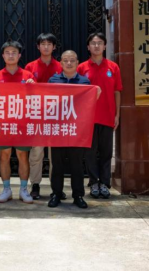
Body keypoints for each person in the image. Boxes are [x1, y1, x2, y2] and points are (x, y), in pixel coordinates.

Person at [48, 50, 101, 209]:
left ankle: (78, 195)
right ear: (61, 63)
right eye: (65, 60)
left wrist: (96, 94)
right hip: (58, 128)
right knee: (57, 164)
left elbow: (88, 104)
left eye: (72, 60)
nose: (69, 63)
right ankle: (56, 193)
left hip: (76, 130)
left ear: (77, 63)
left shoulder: (85, 82)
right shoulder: (53, 81)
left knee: (76, 164)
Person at [77, 32, 122, 199]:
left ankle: (105, 183)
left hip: (107, 116)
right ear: (88, 47)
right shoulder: (82, 68)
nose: (96, 46)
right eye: (93, 43)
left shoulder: (113, 67)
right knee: (90, 152)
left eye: (99, 43)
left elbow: (117, 91)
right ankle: (93, 182)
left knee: (106, 152)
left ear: (104, 46)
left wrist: (117, 114)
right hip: (88, 118)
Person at [0, 41, 35, 204]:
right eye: (7, 52)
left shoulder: (28, 76)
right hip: (3, 122)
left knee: (22, 155)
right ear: (3, 56)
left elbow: (37, 98)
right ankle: (6, 189)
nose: (11, 55)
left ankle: (23, 189)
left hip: (22, 122)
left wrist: (33, 87)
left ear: (19, 56)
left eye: (14, 52)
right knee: (4, 155)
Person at [25, 33, 62, 200]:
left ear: (54, 47)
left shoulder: (60, 66)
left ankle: (56, 187)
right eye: (43, 44)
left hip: (56, 116)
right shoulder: (30, 67)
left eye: (49, 44)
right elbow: (23, 92)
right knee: (36, 152)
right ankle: (35, 185)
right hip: (37, 116)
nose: (46, 47)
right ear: (38, 46)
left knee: (56, 154)